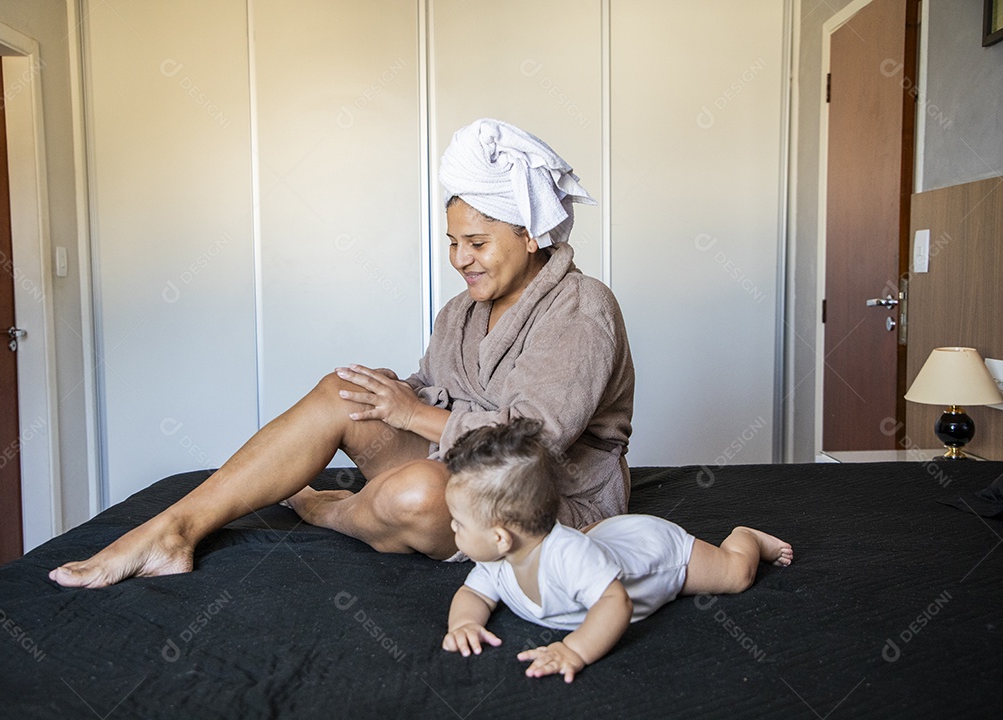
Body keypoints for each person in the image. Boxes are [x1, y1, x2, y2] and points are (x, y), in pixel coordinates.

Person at [50, 118, 634, 588]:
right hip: (462, 462)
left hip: (544, 496)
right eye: (452, 242)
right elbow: (435, 389)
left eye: (477, 243)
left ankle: (332, 511)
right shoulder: (462, 312)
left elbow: (534, 441)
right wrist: (395, 394)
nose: (460, 259)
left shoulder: (582, 307)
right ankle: (176, 528)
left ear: (531, 234)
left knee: (423, 494)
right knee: (344, 391)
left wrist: (409, 413)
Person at [440, 418, 792, 683]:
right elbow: (473, 593)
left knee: (735, 575)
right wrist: (464, 623)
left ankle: (746, 537)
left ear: (501, 537)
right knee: (590, 543)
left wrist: (574, 649)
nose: (452, 527)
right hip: (602, 538)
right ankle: (600, 535)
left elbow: (616, 603)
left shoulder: (568, 557)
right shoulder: (495, 561)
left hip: (653, 553)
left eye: (459, 522)